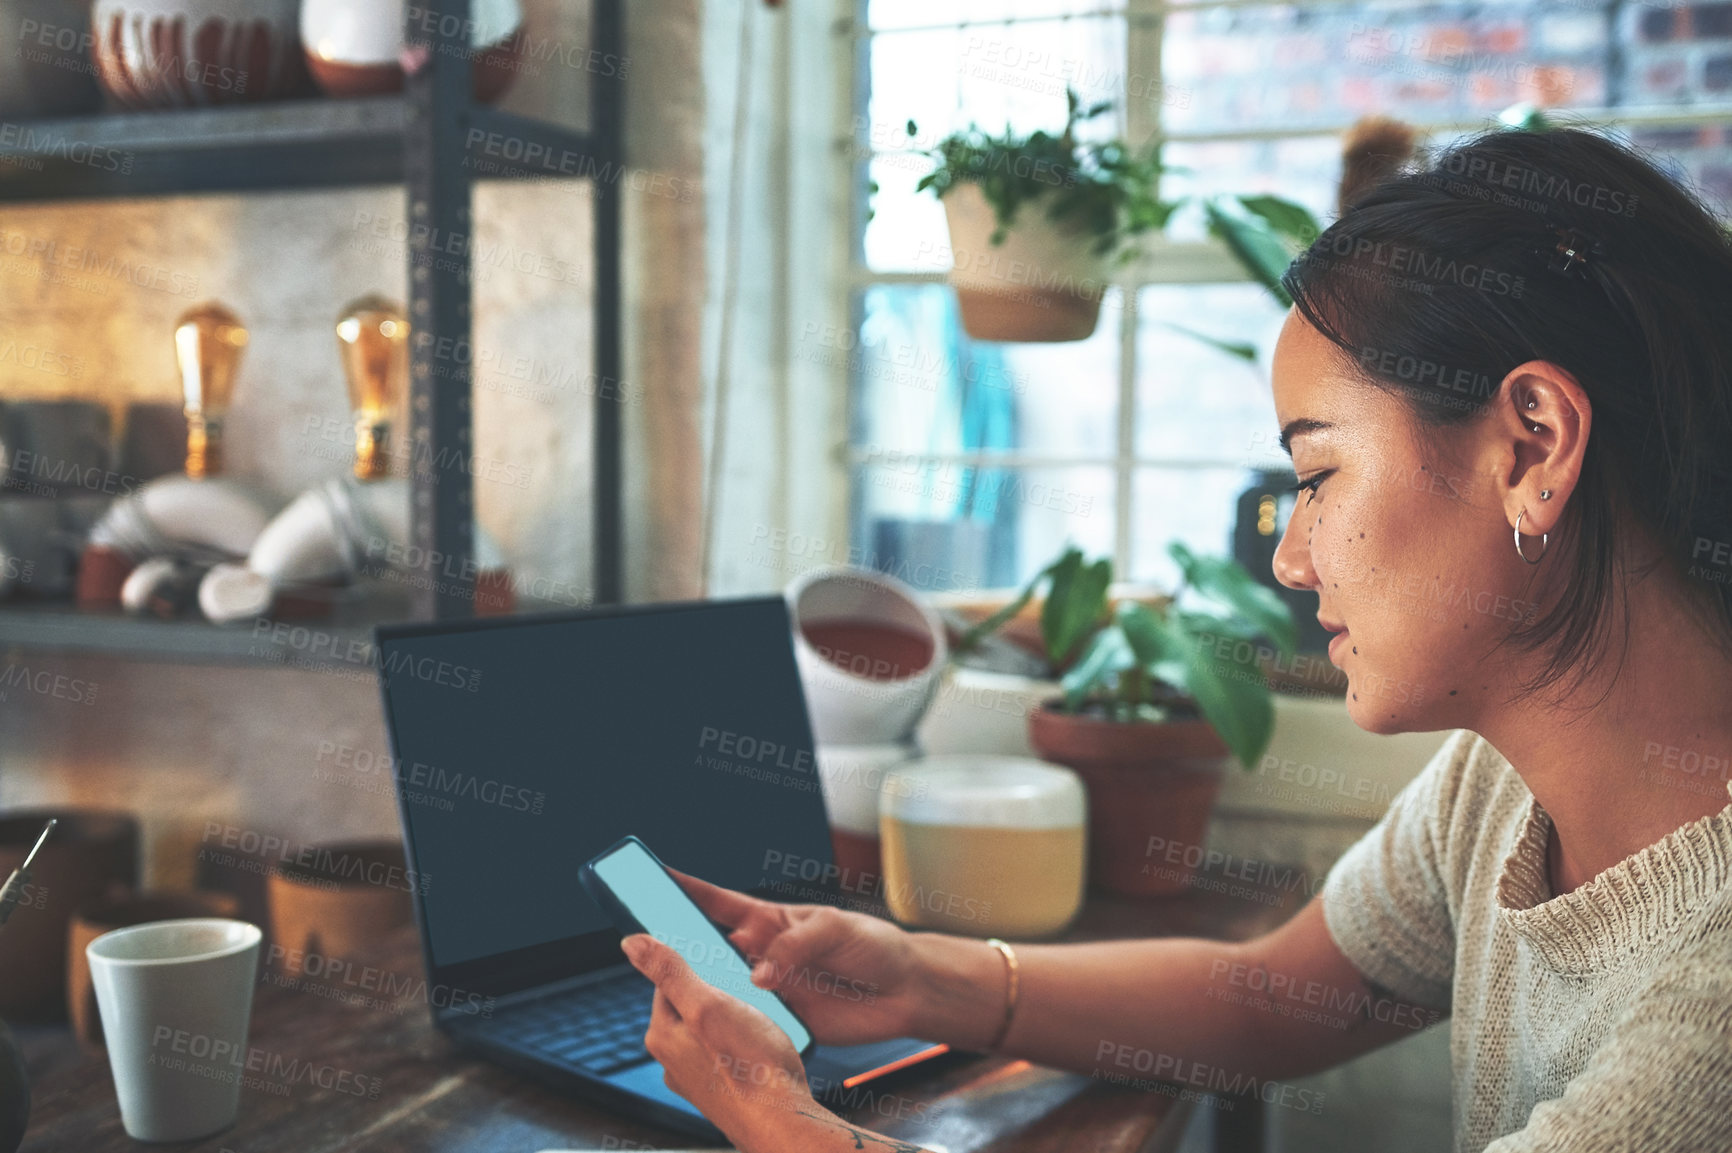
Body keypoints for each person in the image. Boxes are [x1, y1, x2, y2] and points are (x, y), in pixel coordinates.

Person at [622, 126, 1732, 1153]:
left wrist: (790, 1125)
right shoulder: (1494, 787)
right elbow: (1269, 998)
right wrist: (918, 978)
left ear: (1533, 447)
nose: (1294, 561)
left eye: (1318, 475)